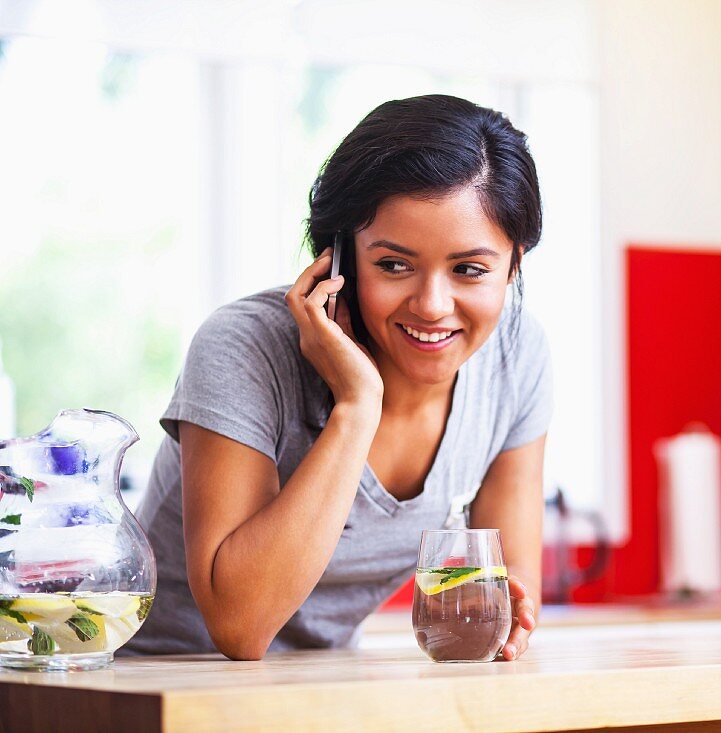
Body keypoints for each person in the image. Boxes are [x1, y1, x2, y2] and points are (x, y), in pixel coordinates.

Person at [119, 95, 551, 661]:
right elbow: (239, 626)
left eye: (469, 270)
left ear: (513, 265)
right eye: (393, 265)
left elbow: (508, 589)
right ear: (337, 260)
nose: (432, 305)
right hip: (159, 687)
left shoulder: (515, 356)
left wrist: (510, 618)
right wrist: (357, 404)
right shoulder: (244, 348)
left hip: (321, 687)